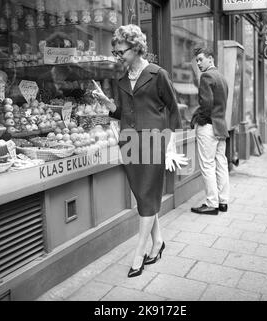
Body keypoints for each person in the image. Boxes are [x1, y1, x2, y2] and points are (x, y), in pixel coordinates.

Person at [92, 24, 187, 278]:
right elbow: (123, 113)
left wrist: (171, 143)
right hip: (129, 142)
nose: (117, 55)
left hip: (154, 142)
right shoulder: (121, 80)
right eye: (115, 51)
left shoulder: (158, 74)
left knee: (146, 196)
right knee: (143, 197)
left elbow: (173, 109)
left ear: (136, 48)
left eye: (120, 51)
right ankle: (158, 242)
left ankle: (139, 253)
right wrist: (106, 103)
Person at [190, 46, 230, 215]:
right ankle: (223, 202)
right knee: (221, 163)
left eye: (201, 59)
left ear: (210, 59)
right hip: (221, 125)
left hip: (208, 126)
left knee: (207, 164)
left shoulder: (207, 76)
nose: (198, 63)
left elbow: (206, 104)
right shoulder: (221, 77)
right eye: (197, 60)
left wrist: (199, 120)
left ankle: (211, 203)